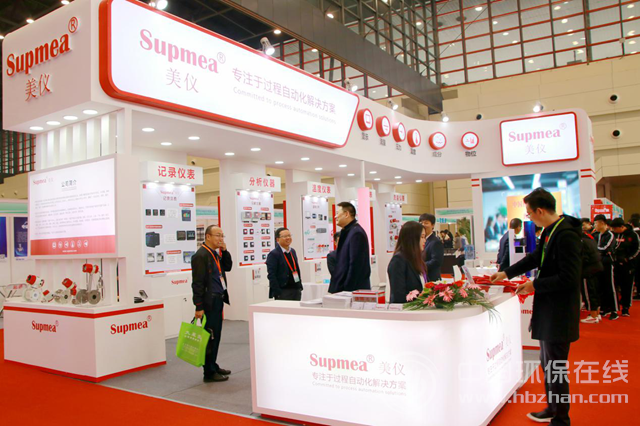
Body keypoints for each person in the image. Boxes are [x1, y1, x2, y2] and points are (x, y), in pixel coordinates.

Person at [491, 188, 582, 426]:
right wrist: (506, 273)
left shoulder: (566, 235)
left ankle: (561, 418)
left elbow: (570, 277)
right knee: (547, 363)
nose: (529, 218)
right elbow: (534, 258)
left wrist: (535, 285)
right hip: (548, 309)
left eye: (530, 213)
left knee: (556, 366)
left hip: (559, 311)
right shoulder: (551, 231)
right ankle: (553, 408)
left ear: (540, 211)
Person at [191, 226, 233, 383]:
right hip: (209, 302)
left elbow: (228, 267)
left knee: (216, 336)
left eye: (222, 235)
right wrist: (199, 306)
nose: (221, 238)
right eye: (218, 235)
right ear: (208, 236)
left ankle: (213, 365)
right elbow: (197, 284)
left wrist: (225, 251)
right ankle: (208, 372)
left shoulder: (215, 254)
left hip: (218, 299)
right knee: (210, 336)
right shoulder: (200, 255)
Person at [329, 202, 371, 293]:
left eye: (337, 213)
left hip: (352, 290)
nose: (335, 217)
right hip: (344, 290)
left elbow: (355, 265)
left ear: (346, 214)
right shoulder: (347, 232)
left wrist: (347, 289)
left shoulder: (356, 233)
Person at [388, 222, 428, 303]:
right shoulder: (398, 260)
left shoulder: (417, 259)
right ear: (412, 238)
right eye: (422, 237)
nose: (425, 240)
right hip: (406, 309)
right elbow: (398, 295)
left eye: (424, 237)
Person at [611, 217, 640, 317]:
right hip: (615, 264)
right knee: (615, 286)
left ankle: (626, 307)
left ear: (622, 227)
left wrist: (628, 258)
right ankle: (614, 307)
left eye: (615, 228)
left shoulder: (633, 235)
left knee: (627, 287)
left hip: (628, 265)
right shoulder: (614, 234)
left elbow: (637, 249)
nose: (614, 230)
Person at [592, 215, 619, 320]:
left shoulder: (610, 235)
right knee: (601, 286)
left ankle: (614, 310)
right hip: (599, 264)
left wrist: (597, 251)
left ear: (602, 223)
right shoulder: (596, 235)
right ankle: (605, 308)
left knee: (610, 286)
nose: (594, 225)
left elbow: (605, 248)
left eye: (596, 223)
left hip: (608, 264)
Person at [266, 228, 303, 301]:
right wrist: (278, 292)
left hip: (296, 289)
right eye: (285, 236)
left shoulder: (292, 251)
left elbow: (296, 269)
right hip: (283, 290)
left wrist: (299, 286)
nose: (288, 238)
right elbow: (271, 275)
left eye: (289, 235)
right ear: (277, 239)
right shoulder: (274, 254)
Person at [579, 230, 603, 323]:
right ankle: (597, 314)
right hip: (597, 267)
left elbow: (583, 258)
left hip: (588, 270)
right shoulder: (589, 238)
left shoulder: (581, 242)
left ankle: (593, 315)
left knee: (589, 293)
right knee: (595, 291)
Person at [420, 213, 444, 282]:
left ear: (433, 225)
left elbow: (436, 261)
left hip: (431, 279)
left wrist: (420, 266)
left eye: (426, 223)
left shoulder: (436, 242)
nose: (423, 225)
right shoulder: (419, 240)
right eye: (421, 223)